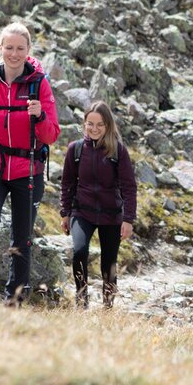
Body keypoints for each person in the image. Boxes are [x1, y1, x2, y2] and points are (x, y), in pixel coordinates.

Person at [0, 22, 59, 303]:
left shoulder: (40, 84)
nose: (14, 54)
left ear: (29, 50)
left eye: (20, 48)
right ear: (0, 49)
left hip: (27, 170)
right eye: (9, 47)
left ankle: (15, 299)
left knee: (22, 238)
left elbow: (51, 135)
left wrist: (40, 116)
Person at [60, 101, 137, 309]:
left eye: (100, 125)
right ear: (84, 124)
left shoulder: (118, 151)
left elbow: (129, 187)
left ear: (108, 126)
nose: (94, 129)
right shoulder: (75, 150)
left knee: (108, 264)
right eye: (90, 124)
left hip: (111, 215)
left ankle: (107, 307)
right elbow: (67, 183)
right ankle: (82, 300)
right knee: (79, 252)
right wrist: (65, 213)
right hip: (81, 212)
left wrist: (128, 219)